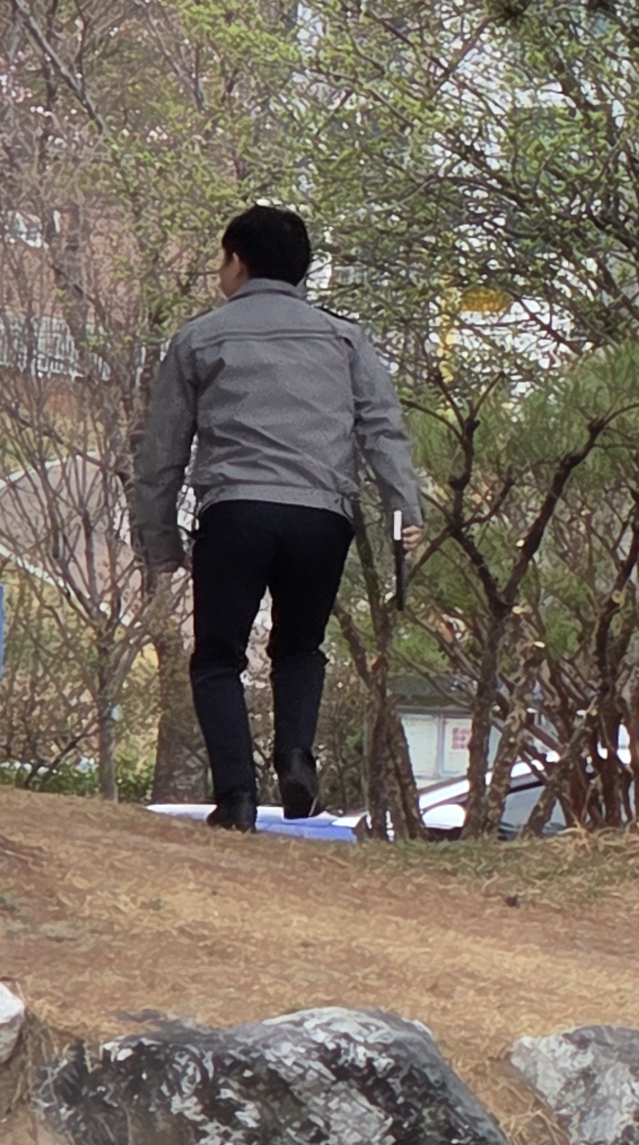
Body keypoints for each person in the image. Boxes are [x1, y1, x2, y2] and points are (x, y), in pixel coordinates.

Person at [126, 205, 424, 828]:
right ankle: (295, 760)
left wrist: (160, 546)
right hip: (322, 518)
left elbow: (162, 453)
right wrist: (404, 514)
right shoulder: (346, 339)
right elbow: (383, 432)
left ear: (237, 262)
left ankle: (235, 796)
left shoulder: (199, 338)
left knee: (217, 656)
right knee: (299, 648)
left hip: (235, 513)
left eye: (221, 260)